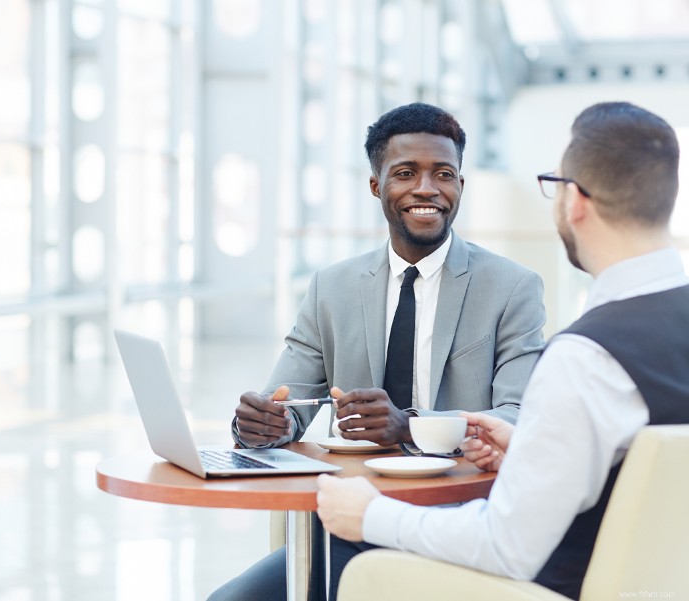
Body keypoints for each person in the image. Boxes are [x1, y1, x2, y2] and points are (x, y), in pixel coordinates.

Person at [317, 101, 689, 601]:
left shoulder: (588, 356)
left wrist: (369, 512)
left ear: (574, 200)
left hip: (550, 587)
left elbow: (507, 545)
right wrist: (529, 450)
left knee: (343, 561)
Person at [209, 102, 546, 600]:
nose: (426, 189)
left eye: (444, 174)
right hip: (351, 523)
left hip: (461, 524)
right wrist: (262, 424)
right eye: (406, 173)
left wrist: (409, 424)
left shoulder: (513, 287)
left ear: (460, 186)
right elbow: (287, 403)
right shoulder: (332, 288)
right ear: (375, 186)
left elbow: (518, 419)